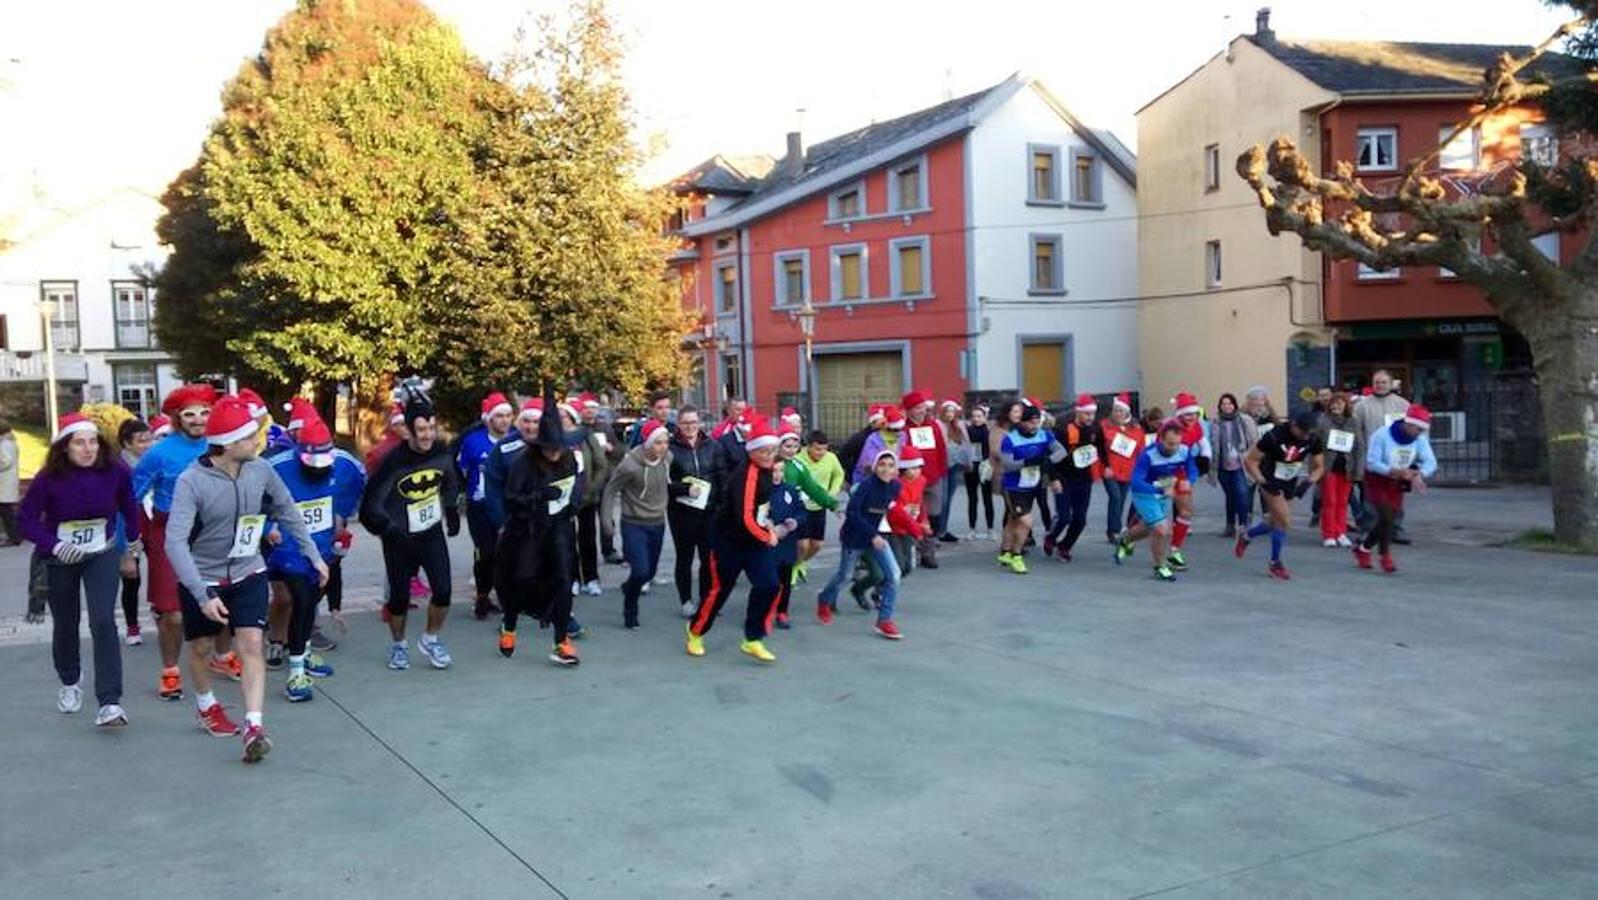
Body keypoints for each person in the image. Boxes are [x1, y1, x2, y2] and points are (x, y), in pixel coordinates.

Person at [166, 397, 325, 762]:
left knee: (251, 643)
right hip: (202, 577)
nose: (258, 441)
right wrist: (201, 593)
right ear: (229, 442)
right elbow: (174, 542)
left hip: (248, 570)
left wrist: (313, 555)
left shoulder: (261, 469)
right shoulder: (191, 481)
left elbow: (287, 510)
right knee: (203, 649)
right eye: (250, 436)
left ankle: (254, 727)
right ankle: (206, 705)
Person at [20, 413, 142, 727]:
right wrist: (54, 544)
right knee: (66, 621)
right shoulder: (48, 478)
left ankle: (110, 702)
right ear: (65, 447)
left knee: (103, 621)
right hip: (60, 556)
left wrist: (133, 540)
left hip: (100, 552)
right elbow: (26, 520)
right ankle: (71, 680)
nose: (88, 449)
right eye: (79, 443)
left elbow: (129, 501)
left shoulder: (115, 470)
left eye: (92, 442)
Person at [359, 385, 462, 671]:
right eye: (422, 429)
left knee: (443, 591)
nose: (428, 434)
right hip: (399, 539)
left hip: (430, 533)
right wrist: (389, 531)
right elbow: (370, 507)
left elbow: (451, 479)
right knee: (400, 599)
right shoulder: (393, 462)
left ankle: (431, 639)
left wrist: (451, 508)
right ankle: (399, 645)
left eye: (431, 427)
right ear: (409, 430)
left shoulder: (441, 451)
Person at [264, 418, 363, 701]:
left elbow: (358, 485)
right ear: (299, 451)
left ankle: (304, 650)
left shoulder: (345, 464)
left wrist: (342, 516)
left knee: (312, 598)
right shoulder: (274, 467)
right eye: (311, 461)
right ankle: (296, 672)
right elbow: (249, 501)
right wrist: (267, 527)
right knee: (302, 600)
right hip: (287, 547)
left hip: (322, 546)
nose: (317, 468)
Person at [132, 382, 221, 701]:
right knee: (173, 613)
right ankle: (170, 670)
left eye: (204, 412)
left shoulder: (220, 445)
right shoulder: (159, 453)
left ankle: (221, 658)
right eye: (190, 414)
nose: (198, 419)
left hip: (213, 531)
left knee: (222, 598)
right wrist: (128, 544)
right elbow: (131, 496)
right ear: (177, 418)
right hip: (169, 532)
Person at [686, 417, 793, 661]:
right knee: (718, 592)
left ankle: (752, 638)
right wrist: (769, 536)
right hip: (728, 543)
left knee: (769, 585)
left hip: (753, 542)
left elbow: (761, 507)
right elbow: (745, 519)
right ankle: (695, 632)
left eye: (771, 450)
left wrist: (767, 522)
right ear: (752, 450)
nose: (768, 455)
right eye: (763, 450)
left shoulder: (768, 470)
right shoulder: (747, 476)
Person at [496, 385, 582, 666]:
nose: (556, 452)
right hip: (526, 532)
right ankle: (509, 625)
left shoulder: (569, 458)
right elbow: (511, 499)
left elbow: (578, 486)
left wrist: (575, 499)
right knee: (519, 580)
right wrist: (539, 496)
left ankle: (561, 641)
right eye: (550, 447)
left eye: (560, 447)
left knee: (564, 580)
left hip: (558, 529)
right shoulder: (523, 462)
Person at [815, 447, 917, 639]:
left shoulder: (895, 487)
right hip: (854, 538)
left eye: (890, 465)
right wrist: (873, 535)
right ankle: (823, 599)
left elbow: (891, 510)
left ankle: (884, 621)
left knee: (894, 574)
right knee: (844, 576)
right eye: (882, 465)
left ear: (896, 470)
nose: (886, 469)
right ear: (875, 466)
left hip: (875, 538)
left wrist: (914, 527)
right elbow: (853, 513)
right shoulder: (866, 486)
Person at [1235, 410, 1325, 580]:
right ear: (1293, 425)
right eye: (1302, 432)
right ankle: (1275, 563)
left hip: (1290, 479)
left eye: (1308, 433)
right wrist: (1261, 480)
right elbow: (1250, 460)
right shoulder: (1275, 435)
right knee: (1284, 520)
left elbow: (1320, 466)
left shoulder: (1312, 437)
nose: (1305, 436)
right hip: (1269, 477)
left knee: (1276, 521)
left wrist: (1308, 482)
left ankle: (1247, 535)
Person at [602, 418, 672, 629]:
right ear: (648, 443)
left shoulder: (668, 457)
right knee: (640, 571)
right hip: (634, 524)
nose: (663, 447)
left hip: (658, 523)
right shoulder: (630, 464)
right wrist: (607, 522)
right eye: (658, 443)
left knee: (649, 573)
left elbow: (668, 484)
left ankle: (628, 587)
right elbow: (611, 490)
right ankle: (630, 608)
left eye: (665, 442)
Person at [769, 424, 841, 626]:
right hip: (769, 530)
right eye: (786, 446)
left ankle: (782, 611)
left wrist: (833, 504)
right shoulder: (768, 467)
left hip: (789, 527)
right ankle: (766, 608)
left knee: (786, 569)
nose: (791, 450)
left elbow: (813, 489)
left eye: (794, 446)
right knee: (769, 574)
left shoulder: (798, 468)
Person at [1357, 404, 1437, 573]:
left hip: (1398, 481)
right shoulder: (1382, 435)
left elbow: (1431, 462)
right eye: (1418, 428)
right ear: (1408, 424)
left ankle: (1363, 548)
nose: (1420, 433)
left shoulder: (1419, 440)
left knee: (1389, 520)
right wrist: (1392, 471)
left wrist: (1418, 474)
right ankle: (1384, 556)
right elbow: (1372, 463)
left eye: (1423, 430)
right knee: (1385, 516)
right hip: (1377, 479)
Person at [1114, 421, 1198, 581]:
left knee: (1148, 528)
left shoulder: (1184, 450)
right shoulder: (1147, 455)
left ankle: (1126, 539)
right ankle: (1159, 567)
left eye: (1177, 444)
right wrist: (1159, 489)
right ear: (1160, 439)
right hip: (1145, 494)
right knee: (1161, 530)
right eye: (1170, 444)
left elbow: (1192, 469)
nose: (1174, 448)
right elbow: (1136, 481)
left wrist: (1190, 480)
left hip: (1164, 491)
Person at [455, 391, 514, 620]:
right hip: (479, 505)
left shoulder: (517, 440)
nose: (505, 420)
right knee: (485, 552)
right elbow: (463, 470)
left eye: (509, 415)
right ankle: (482, 595)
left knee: (506, 552)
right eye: (500, 416)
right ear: (489, 418)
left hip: (508, 506)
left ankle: (507, 595)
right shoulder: (473, 442)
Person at [666, 405, 723, 618]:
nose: (690, 427)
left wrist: (719, 504)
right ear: (678, 425)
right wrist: (685, 489)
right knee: (685, 557)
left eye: (693, 422)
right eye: (685, 423)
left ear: (699, 423)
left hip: (709, 512)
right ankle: (686, 601)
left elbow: (721, 476)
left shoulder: (713, 446)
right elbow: (664, 483)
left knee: (708, 558)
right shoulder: (670, 449)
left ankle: (706, 599)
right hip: (681, 513)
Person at [996, 402, 1061, 574]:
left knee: (1013, 520)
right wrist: (1028, 462)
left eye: (1037, 422)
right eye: (1031, 422)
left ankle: (1005, 552)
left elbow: (1060, 451)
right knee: (1027, 521)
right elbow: (1008, 464)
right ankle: (1016, 556)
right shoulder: (1010, 439)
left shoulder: (1044, 435)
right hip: (1013, 487)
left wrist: (1049, 460)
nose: (1034, 426)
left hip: (1032, 485)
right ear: (1022, 422)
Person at [1352, 370, 1412, 541]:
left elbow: (1411, 430)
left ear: (1391, 384)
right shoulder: (1362, 406)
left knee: (1396, 496)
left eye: (1383, 382)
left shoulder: (1403, 405)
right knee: (1370, 497)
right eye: (1376, 382)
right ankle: (1369, 530)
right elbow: (1356, 432)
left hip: (1397, 458)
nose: (1379, 385)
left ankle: (1395, 529)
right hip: (1372, 458)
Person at [1043, 393, 1103, 562]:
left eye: (1093, 414)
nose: (1090, 417)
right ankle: (1051, 536)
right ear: (1078, 412)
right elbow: (1052, 456)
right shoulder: (1063, 430)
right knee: (1064, 516)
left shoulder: (1094, 430)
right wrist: (1054, 478)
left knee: (1080, 520)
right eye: (1087, 414)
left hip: (1084, 480)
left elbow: (1101, 449)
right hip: (1064, 479)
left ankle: (1065, 546)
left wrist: (1107, 467)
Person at [115, 418, 156, 646]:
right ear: (126, 444)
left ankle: (161, 611)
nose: (148, 445)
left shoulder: (156, 461)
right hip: (130, 523)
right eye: (141, 441)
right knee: (132, 576)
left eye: (150, 439)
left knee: (162, 570)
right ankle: (132, 626)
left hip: (155, 521)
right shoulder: (118, 468)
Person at [900, 390, 949, 561]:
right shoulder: (904, 429)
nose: (922, 410)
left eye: (923, 406)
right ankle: (919, 549)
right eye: (918, 407)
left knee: (935, 512)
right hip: (912, 477)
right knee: (913, 513)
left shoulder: (933, 425)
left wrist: (943, 469)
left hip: (934, 475)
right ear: (909, 410)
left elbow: (941, 448)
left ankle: (929, 543)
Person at [1166, 392, 1212, 572]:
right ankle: (1128, 537)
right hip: (1162, 473)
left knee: (1185, 512)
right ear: (1179, 415)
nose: (1191, 417)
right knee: (1151, 519)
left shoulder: (1197, 427)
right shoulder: (1170, 429)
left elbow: (1204, 444)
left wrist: (1205, 459)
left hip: (1182, 473)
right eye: (1187, 414)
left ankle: (1174, 551)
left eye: (1194, 414)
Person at [793, 429, 845, 585]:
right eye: (817, 449)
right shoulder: (798, 459)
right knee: (802, 544)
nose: (821, 452)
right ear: (808, 447)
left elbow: (839, 474)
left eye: (824, 449)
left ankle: (799, 563)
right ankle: (792, 568)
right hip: (802, 506)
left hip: (820, 505)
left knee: (817, 545)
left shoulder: (831, 458)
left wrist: (831, 492)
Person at [1210, 393, 1260, 538]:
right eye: (1224, 404)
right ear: (1220, 406)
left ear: (1235, 405)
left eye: (1230, 403)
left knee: (1242, 495)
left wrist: (1254, 461)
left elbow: (1254, 441)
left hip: (1241, 464)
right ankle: (1230, 525)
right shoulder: (1215, 421)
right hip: (1222, 464)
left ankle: (1243, 525)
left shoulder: (1245, 420)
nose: (1227, 406)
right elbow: (1211, 442)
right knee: (1230, 496)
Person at [1318, 392, 1362, 548]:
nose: (1336, 406)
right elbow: (1316, 446)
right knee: (1330, 501)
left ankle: (1340, 532)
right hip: (1329, 467)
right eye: (1333, 403)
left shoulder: (1353, 421)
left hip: (1347, 468)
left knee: (1343, 502)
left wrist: (1358, 470)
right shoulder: (1323, 421)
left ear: (1346, 405)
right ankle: (1329, 534)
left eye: (1340, 403)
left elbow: (1359, 447)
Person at [1098, 394, 1142, 544]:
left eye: (1120, 411)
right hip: (1109, 470)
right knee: (1115, 498)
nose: (1117, 413)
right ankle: (1113, 531)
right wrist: (1104, 467)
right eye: (1115, 410)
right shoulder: (1103, 426)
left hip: (1128, 471)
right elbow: (1098, 448)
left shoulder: (1136, 429)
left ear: (1127, 413)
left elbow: (1141, 450)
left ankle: (1119, 528)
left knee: (1121, 500)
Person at [852, 404, 907, 485]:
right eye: (895, 430)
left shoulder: (903, 436)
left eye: (900, 429)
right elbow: (868, 463)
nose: (898, 432)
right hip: (870, 480)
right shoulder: (874, 439)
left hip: (893, 479)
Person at [963, 405, 994, 539]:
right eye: (974, 416)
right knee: (972, 499)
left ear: (984, 417)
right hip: (971, 467)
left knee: (988, 498)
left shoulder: (989, 431)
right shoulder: (967, 431)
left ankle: (991, 529)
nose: (976, 419)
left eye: (979, 416)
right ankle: (972, 529)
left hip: (985, 466)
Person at [835, 404, 885, 478]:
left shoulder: (882, 435)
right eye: (882, 423)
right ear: (873, 422)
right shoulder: (860, 438)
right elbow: (843, 456)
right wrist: (852, 472)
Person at [0, 418, 20, 546]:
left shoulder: (4, 444)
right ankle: (14, 536)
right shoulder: (11, 442)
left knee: (7, 513)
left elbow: (6, 461)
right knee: (7, 513)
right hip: (8, 483)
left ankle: (14, 538)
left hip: (4, 484)